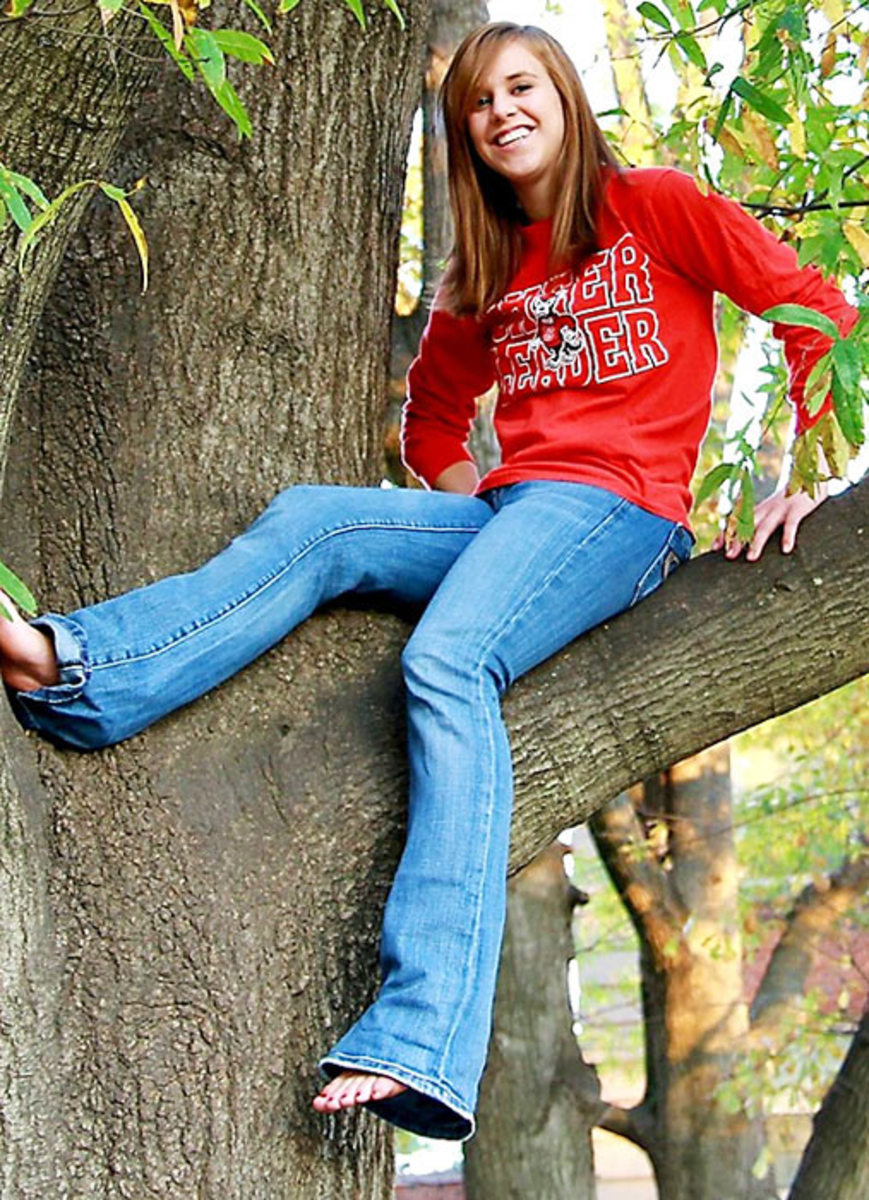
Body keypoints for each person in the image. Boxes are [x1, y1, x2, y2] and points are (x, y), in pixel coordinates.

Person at [0, 22, 856, 1142]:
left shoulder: (653, 205)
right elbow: (433, 420)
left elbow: (815, 311)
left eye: (520, 87)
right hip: (513, 515)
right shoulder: (483, 271)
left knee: (446, 662)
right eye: (477, 104)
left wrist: (806, 477)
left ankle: (423, 1036)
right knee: (320, 523)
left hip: (622, 514)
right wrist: (478, 515)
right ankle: (81, 668)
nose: (501, 113)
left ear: (564, 96)